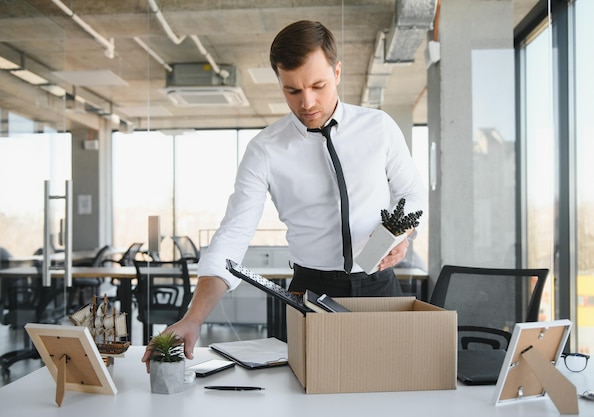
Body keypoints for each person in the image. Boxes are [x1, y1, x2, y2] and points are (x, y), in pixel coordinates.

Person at [142, 20, 427, 370]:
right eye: (292, 90)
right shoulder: (265, 149)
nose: (307, 103)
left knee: (391, 383)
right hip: (310, 292)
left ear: (337, 72)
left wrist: (401, 233)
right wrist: (193, 317)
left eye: (318, 86)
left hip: (379, 287)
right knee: (312, 389)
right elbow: (232, 236)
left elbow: (412, 192)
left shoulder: (379, 127)